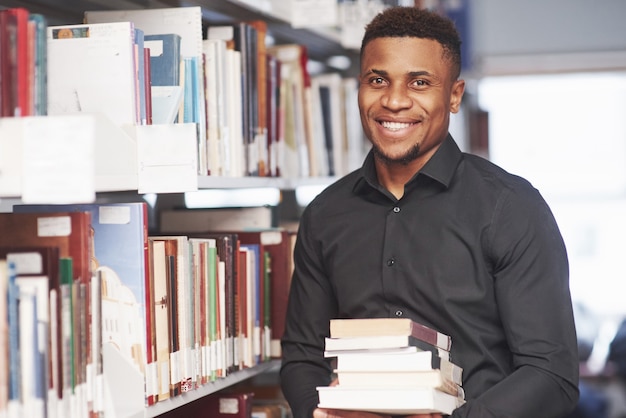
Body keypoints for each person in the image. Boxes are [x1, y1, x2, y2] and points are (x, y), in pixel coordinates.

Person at [280, 6, 579, 418]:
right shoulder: (324, 214)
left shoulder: (511, 208)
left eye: (419, 82)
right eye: (377, 80)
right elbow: (302, 357)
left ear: (454, 96)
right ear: (359, 87)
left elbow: (551, 375)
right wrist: (321, 412)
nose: (394, 100)